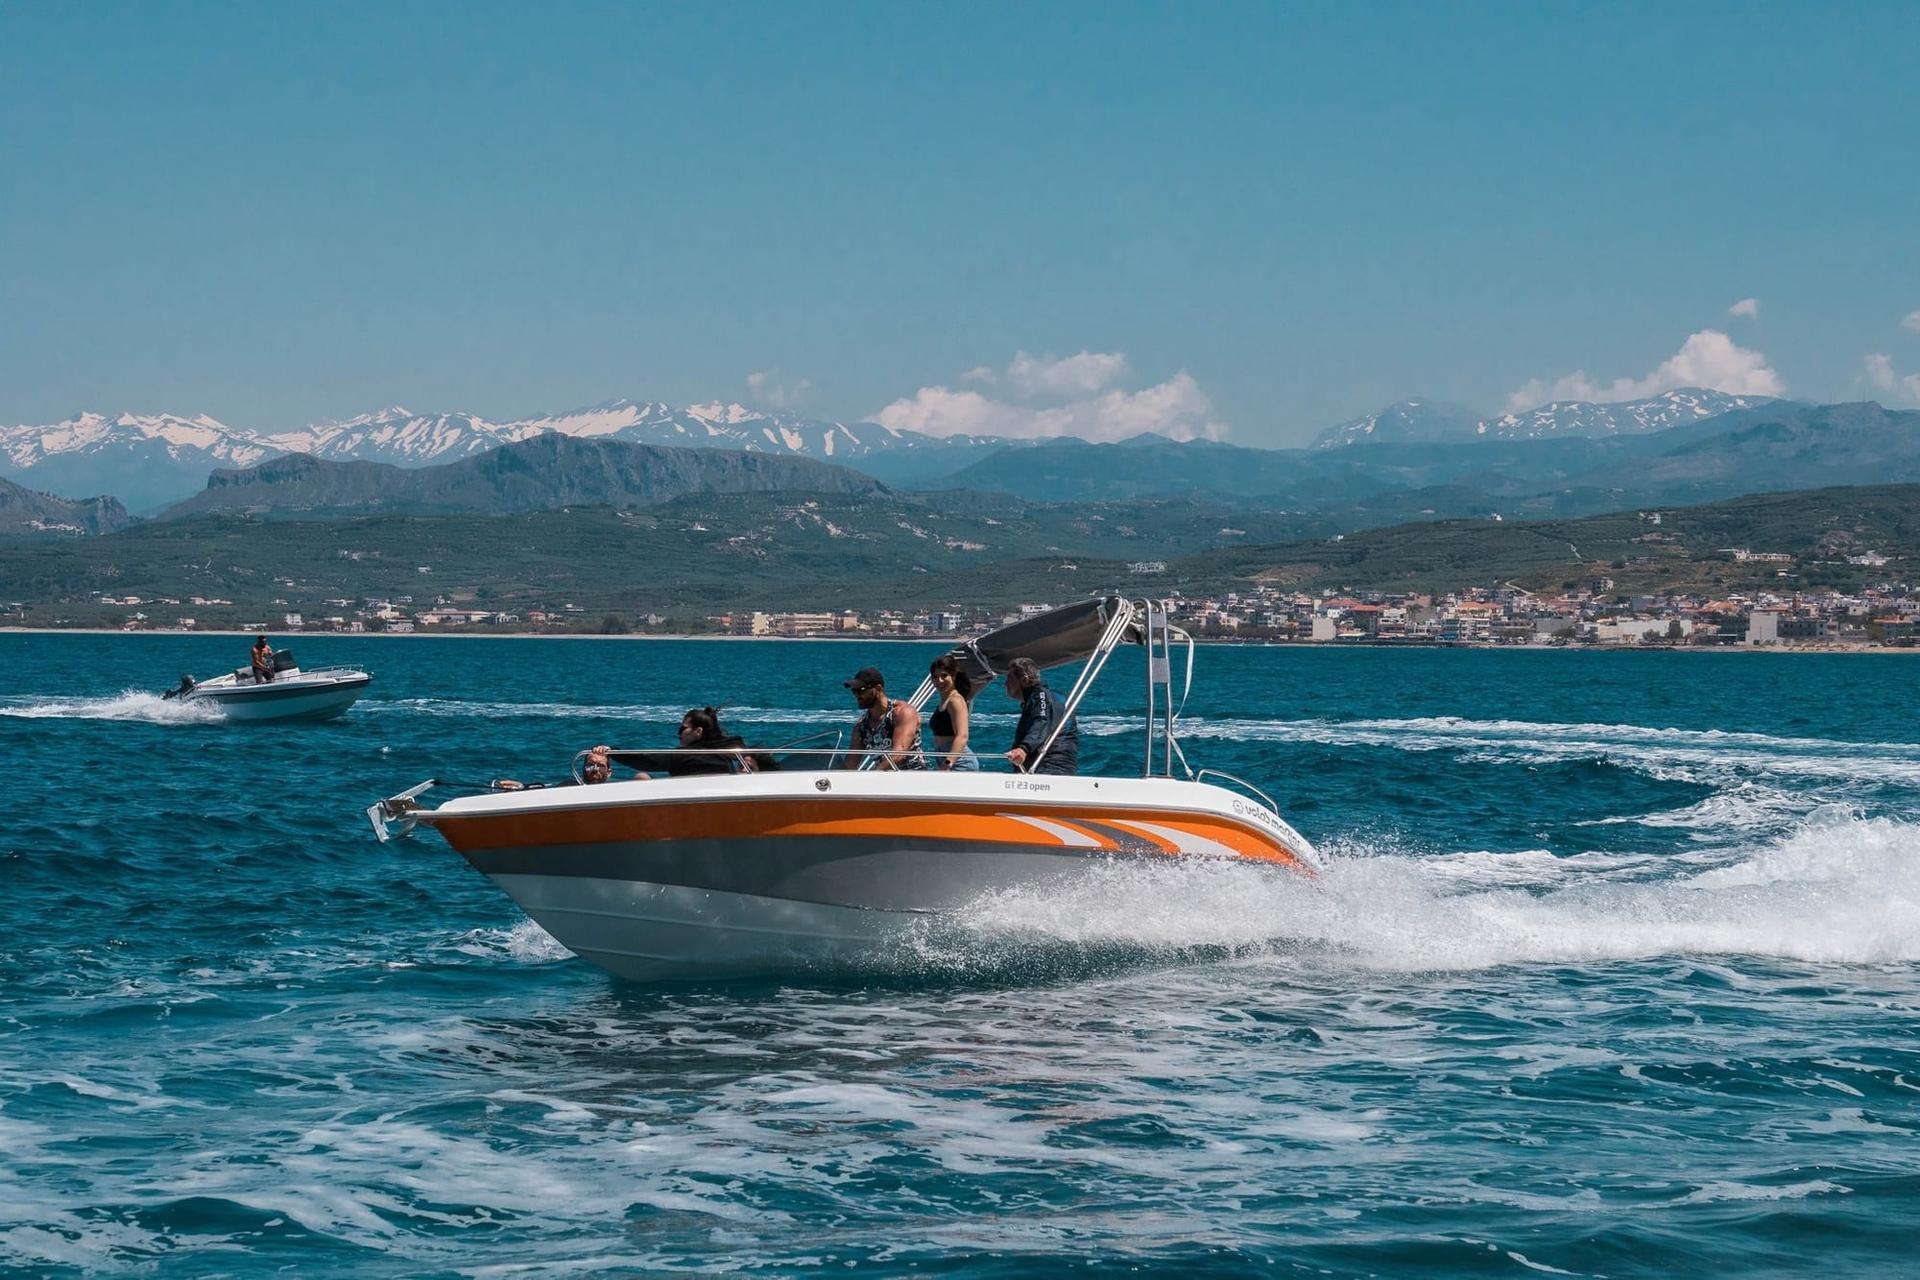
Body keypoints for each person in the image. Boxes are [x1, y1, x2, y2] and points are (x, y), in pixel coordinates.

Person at [1004, 656, 1078, 775]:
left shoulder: (1040, 696)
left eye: (1009, 678)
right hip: (1055, 767)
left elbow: (1041, 722)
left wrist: (1023, 748)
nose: (1005, 683)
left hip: (1050, 767)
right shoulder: (1044, 697)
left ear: (1024, 679)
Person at [845, 666, 925, 770]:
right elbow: (850, 763)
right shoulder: (861, 726)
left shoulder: (902, 713)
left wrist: (873, 776)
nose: (857, 695)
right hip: (882, 780)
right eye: (854, 691)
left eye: (861, 690)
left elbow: (899, 754)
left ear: (878, 689)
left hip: (912, 778)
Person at [927, 654, 978, 771]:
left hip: (959, 762)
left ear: (954, 676)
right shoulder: (945, 701)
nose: (939, 680)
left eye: (944, 676)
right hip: (944, 758)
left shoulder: (955, 701)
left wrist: (948, 762)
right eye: (935, 677)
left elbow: (962, 736)